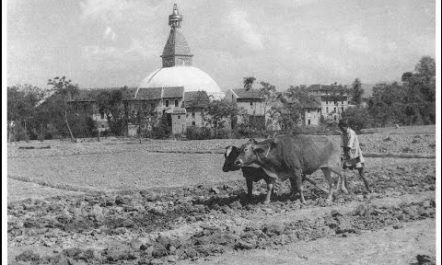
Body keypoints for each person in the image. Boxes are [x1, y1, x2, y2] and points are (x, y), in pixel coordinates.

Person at [338, 119, 372, 193]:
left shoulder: (352, 133)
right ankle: (346, 189)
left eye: (342, 128)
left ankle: (369, 189)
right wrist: (342, 155)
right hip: (348, 156)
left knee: (362, 174)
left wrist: (344, 155)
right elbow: (343, 145)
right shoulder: (342, 134)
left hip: (356, 155)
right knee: (343, 172)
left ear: (346, 126)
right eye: (340, 128)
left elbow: (349, 146)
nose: (341, 129)